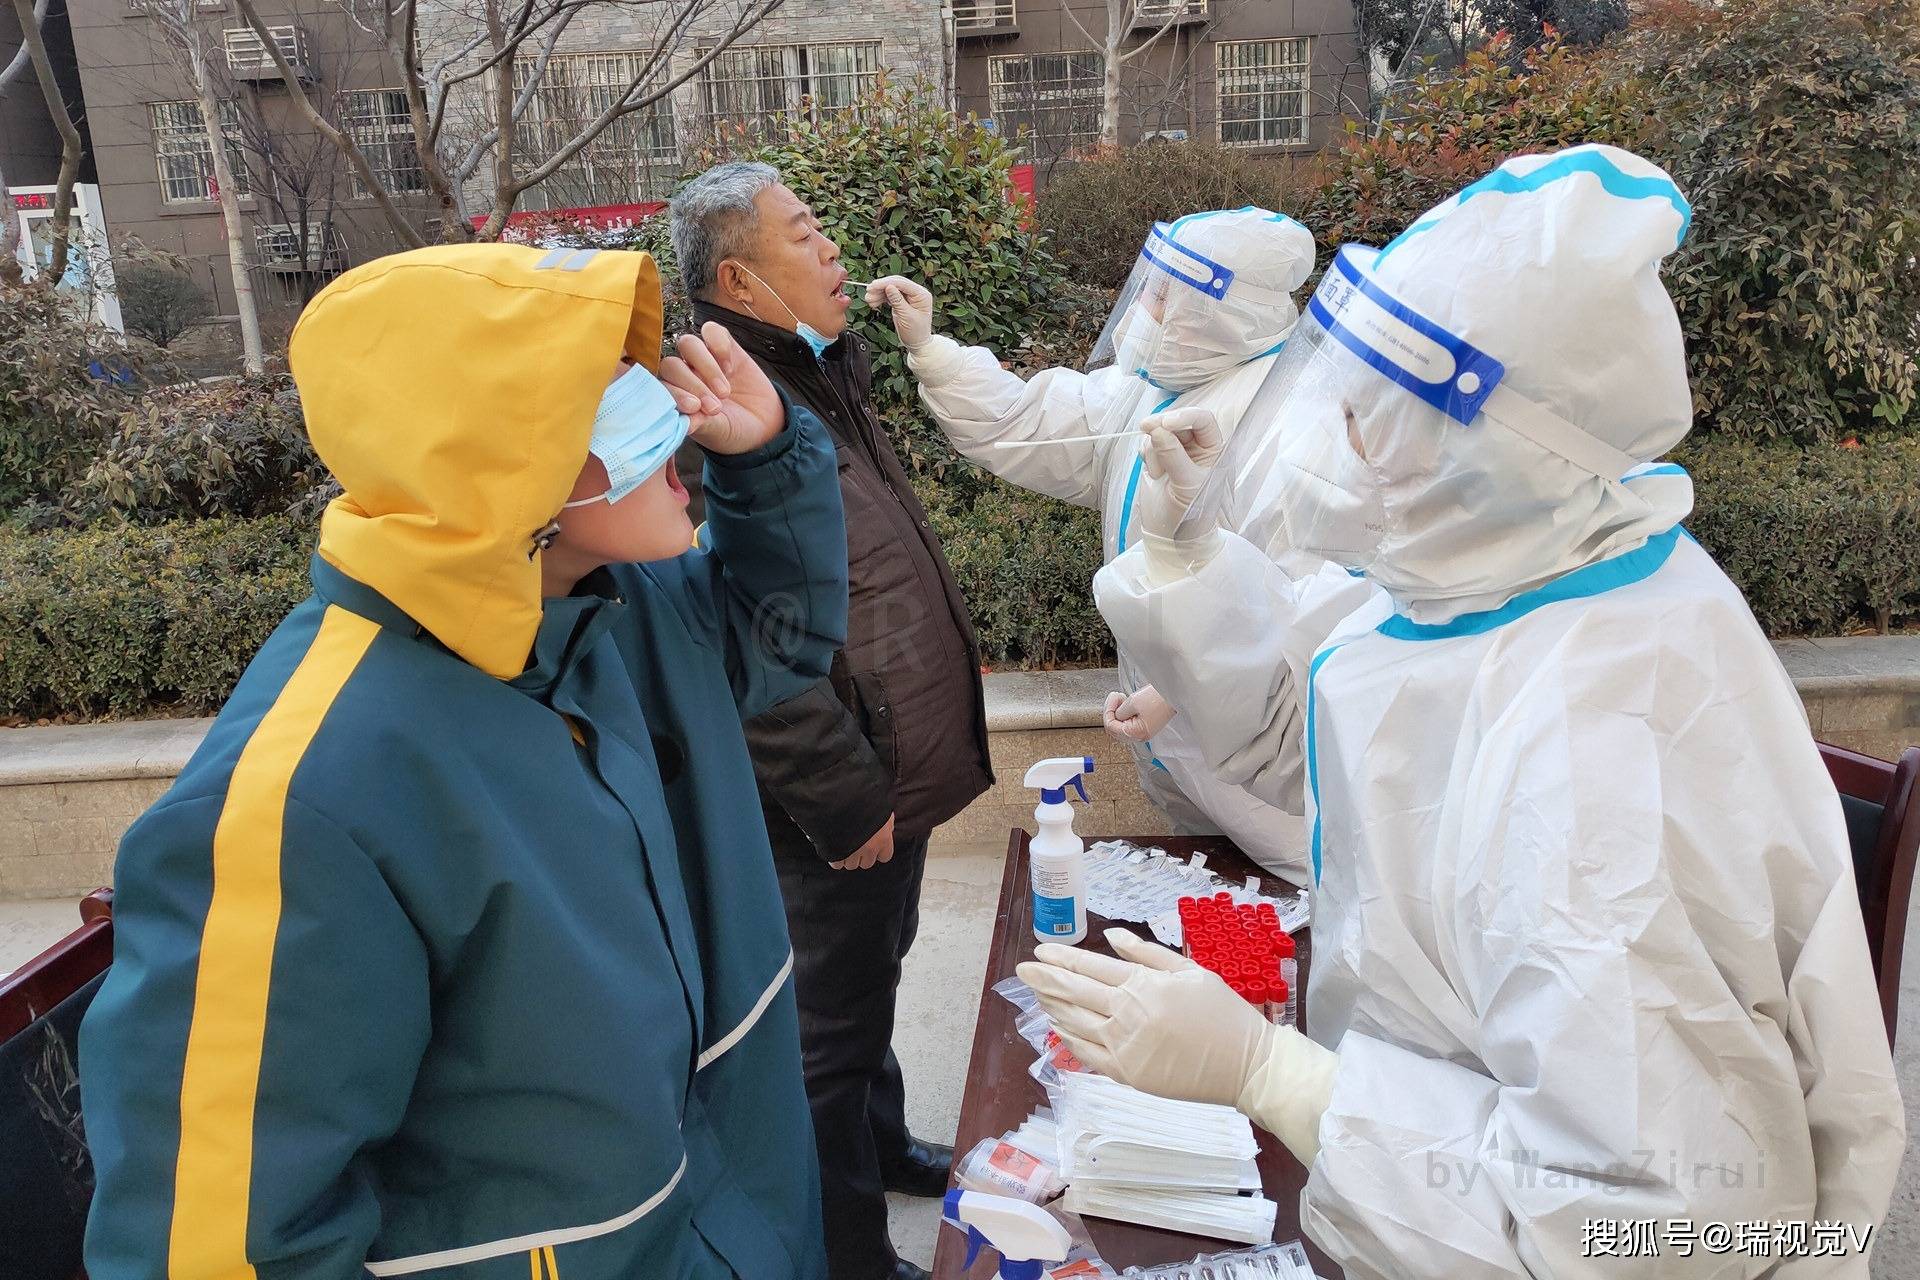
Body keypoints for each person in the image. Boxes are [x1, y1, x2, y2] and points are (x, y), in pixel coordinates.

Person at [1019, 146, 1906, 1275]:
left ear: (1505, 444)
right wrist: (1192, 555)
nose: (1316, 440)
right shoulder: (1498, 572)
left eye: (1366, 414)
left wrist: (1278, 1078)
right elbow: (1309, 747)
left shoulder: (1600, 759)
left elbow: (1655, 1231)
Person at [80, 243, 848, 1279]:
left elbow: (781, 638)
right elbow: (216, 1248)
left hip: (745, 1229)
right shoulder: (305, 794)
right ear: (485, 456)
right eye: (599, 387)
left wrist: (766, 462)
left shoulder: (614, 609)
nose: (666, 402)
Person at [670, 162, 994, 1280]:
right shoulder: (717, 412)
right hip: (827, 795)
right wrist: (844, 790)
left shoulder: (812, 371)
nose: (835, 249)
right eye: (806, 235)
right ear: (738, 281)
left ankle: (885, 1141)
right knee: (825, 1037)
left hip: (885, 769)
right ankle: (851, 1253)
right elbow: (736, 631)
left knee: (876, 974)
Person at [866, 208, 1319, 880]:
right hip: (1175, 736)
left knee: (1282, 926)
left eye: (1168, 296)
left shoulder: (1295, 421)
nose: (1146, 310)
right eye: (1151, 288)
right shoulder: (1153, 392)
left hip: (1263, 758)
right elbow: (1031, 424)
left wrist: (1193, 683)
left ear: (1229, 314)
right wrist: (933, 349)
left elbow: (1318, 598)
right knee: (1202, 892)